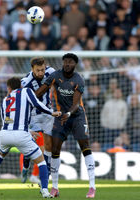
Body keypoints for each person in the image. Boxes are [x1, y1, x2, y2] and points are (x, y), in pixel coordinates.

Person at [0, 77, 61, 198]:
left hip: (5, 134)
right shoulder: (26, 91)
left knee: (0, 155)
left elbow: (6, 120)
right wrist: (51, 112)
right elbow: (37, 104)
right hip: (21, 135)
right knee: (41, 161)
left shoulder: (5, 100)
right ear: (20, 86)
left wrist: (28, 130)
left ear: (8, 88)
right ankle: (44, 190)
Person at [35, 53, 96, 198]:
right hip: (60, 116)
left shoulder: (78, 80)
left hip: (76, 117)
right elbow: (40, 91)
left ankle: (92, 187)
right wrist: (28, 97)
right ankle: (54, 187)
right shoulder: (55, 76)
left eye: (70, 62)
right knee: (55, 149)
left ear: (75, 65)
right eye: (65, 62)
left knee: (85, 146)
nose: (67, 64)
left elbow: (76, 104)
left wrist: (68, 114)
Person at [20, 57, 55, 183]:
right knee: (30, 146)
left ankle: (44, 175)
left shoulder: (50, 72)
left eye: (42, 69)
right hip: (33, 115)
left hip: (47, 114)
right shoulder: (25, 82)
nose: (41, 72)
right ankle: (25, 167)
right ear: (32, 69)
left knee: (47, 145)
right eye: (38, 70)